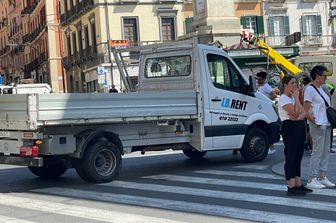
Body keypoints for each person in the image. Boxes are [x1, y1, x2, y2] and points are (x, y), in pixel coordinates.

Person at [278, 75, 312, 196]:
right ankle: (291, 186)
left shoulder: (292, 98)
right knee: (291, 156)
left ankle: (298, 183)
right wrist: (297, 98)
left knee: (298, 156)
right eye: (292, 83)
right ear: (286, 85)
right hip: (290, 128)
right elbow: (295, 113)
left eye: (295, 83)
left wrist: (298, 112)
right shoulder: (284, 98)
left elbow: (303, 113)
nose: (295, 85)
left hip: (298, 127)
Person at [303, 65, 335, 189]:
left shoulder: (321, 88)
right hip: (318, 124)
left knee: (326, 151)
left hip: (326, 123)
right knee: (317, 151)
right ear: (317, 77)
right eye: (324, 75)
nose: (326, 78)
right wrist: (314, 121)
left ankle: (322, 176)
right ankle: (312, 178)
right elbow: (306, 109)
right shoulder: (310, 89)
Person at [256, 71, 277, 155]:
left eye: (259, 79)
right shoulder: (260, 87)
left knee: (266, 128)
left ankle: (271, 147)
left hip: (265, 110)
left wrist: (267, 101)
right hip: (261, 110)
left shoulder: (266, 86)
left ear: (264, 79)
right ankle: (269, 147)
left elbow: (274, 94)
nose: (258, 81)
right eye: (257, 79)